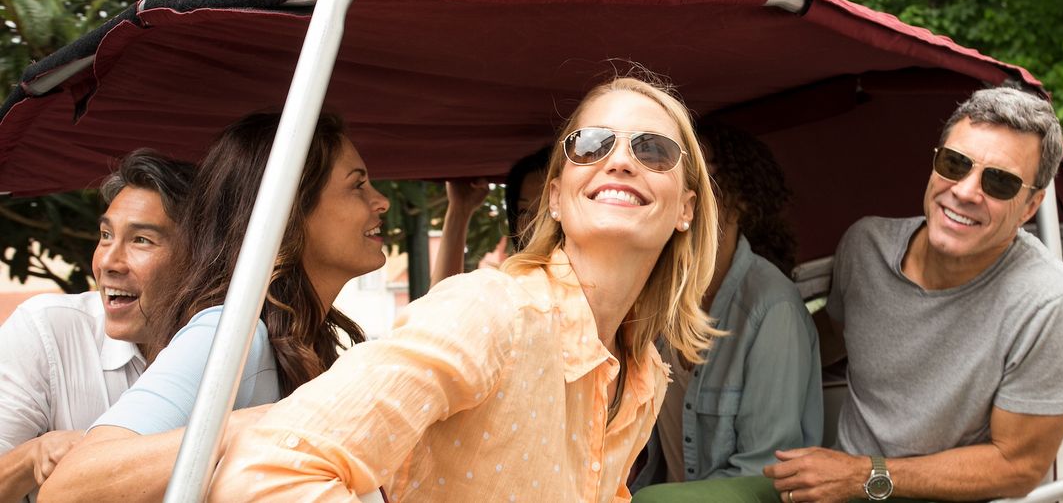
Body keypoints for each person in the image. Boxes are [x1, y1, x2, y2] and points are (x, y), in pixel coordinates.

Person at [209, 75, 720, 501]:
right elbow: (269, 470)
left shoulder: (642, 374)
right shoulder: (491, 312)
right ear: (556, 197)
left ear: (686, 209)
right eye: (591, 144)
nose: (622, 160)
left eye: (653, 149)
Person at [765, 86, 1063, 502]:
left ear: (1030, 206)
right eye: (955, 164)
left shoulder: (1051, 304)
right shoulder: (865, 246)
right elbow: (830, 336)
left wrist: (864, 476)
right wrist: (725, 348)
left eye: (1000, 182)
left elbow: (1016, 466)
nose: (965, 191)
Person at [42, 113, 390, 502]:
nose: (381, 201)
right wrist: (250, 426)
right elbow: (70, 488)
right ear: (290, 209)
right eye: (357, 186)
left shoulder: (303, 342)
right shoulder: (228, 334)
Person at [632, 121, 821, 495]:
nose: (692, 190)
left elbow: (765, 469)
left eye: (709, 178)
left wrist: (655, 500)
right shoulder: (657, 296)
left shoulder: (773, 308)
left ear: (744, 197)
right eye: (683, 175)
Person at [0, 151, 194, 502]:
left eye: (141, 240)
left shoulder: (238, 349)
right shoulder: (46, 329)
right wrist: (35, 455)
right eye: (106, 235)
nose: (107, 261)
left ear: (200, 258)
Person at [430, 146, 551, 284]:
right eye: (523, 211)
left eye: (546, 209)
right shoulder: (509, 287)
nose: (533, 222)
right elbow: (442, 301)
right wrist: (459, 210)